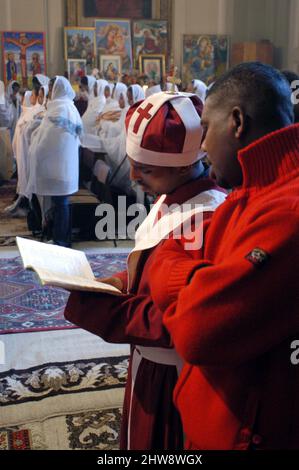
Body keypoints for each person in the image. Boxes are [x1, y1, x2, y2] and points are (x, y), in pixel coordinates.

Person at [146, 62, 299, 450]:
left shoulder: (288, 211)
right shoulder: (245, 194)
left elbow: (199, 332)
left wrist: (185, 281)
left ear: (236, 122)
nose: (201, 147)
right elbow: (166, 253)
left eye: (206, 129)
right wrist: (197, 281)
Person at [64, 91, 227, 450]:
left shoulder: (208, 218)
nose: (134, 175)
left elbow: (184, 318)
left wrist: (103, 310)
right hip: (148, 362)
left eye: (146, 168)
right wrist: (121, 282)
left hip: (172, 374)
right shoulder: (172, 195)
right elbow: (153, 263)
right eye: (133, 161)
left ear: (184, 165)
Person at [26, 76, 82, 247]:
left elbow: (49, 138)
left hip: (59, 165)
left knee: (61, 202)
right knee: (60, 202)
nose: (50, 91)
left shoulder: (60, 108)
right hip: (63, 165)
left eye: (52, 88)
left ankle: (61, 240)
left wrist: (36, 146)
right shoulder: (67, 107)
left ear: (59, 89)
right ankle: (60, 237)